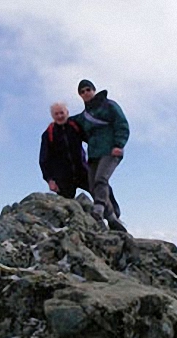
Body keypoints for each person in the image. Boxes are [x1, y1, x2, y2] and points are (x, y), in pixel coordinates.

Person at [39, 102, 121, 216]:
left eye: (61, 113)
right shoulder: (48, 134)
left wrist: (107, 149)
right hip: (63, 177)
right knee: (66, 210)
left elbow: (92, 139)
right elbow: (44, 160)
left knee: (101, 188)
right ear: (52, 116)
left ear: (67, 113)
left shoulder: (75, 126)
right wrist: (50, 180)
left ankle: (115, 217)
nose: (59, 116)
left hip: (82, 170)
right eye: (56, 114)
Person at [73, 79, 129, 232]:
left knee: (101, 179)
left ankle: (98, 211)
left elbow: (122, 123)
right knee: (92, 185)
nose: (85, 93)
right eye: (82, 91)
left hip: (111, 151)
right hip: (94, 154)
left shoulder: (109, 105)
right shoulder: (83, 116)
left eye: (87, 89)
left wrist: (119, 144)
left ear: (94, 90)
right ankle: (112, 217)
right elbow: (70, 122)